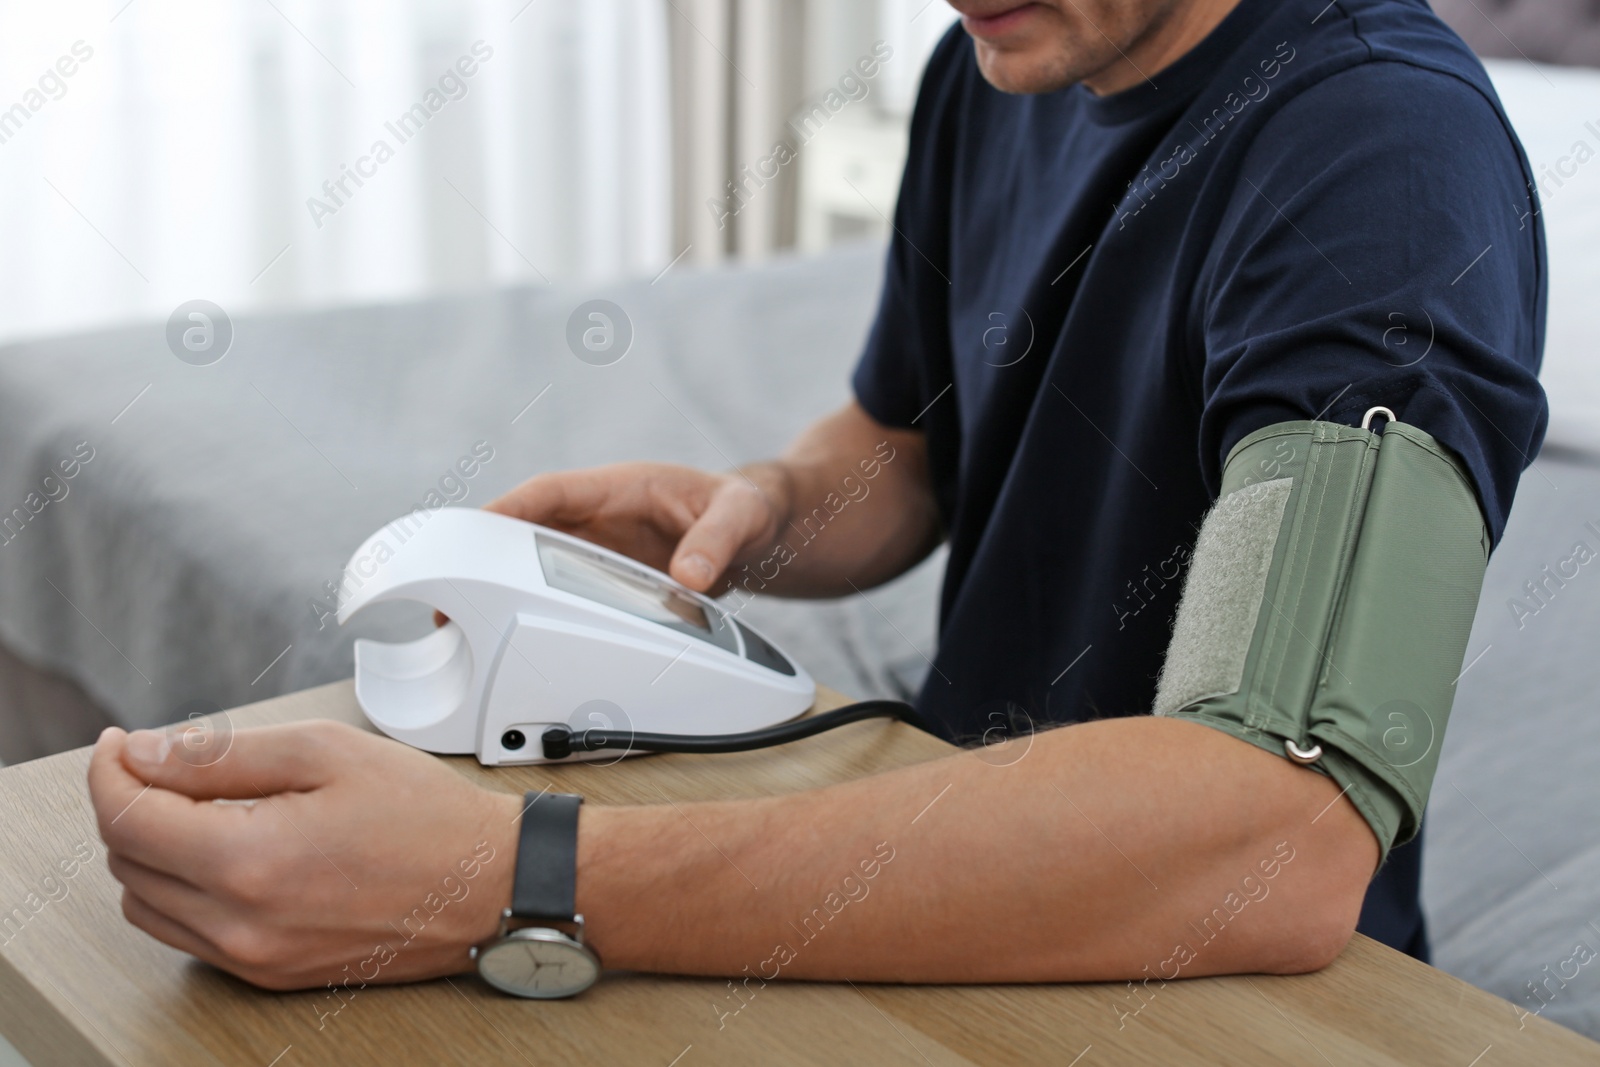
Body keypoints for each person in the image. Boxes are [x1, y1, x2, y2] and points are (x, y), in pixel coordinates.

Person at [87, 0, 1544, 995]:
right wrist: (761, 506)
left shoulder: (1381, 160)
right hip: (938, 833)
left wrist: (512, 874)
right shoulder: (1002, 61)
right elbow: (910, 440)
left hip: (1200, 966)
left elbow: (1272, 831)